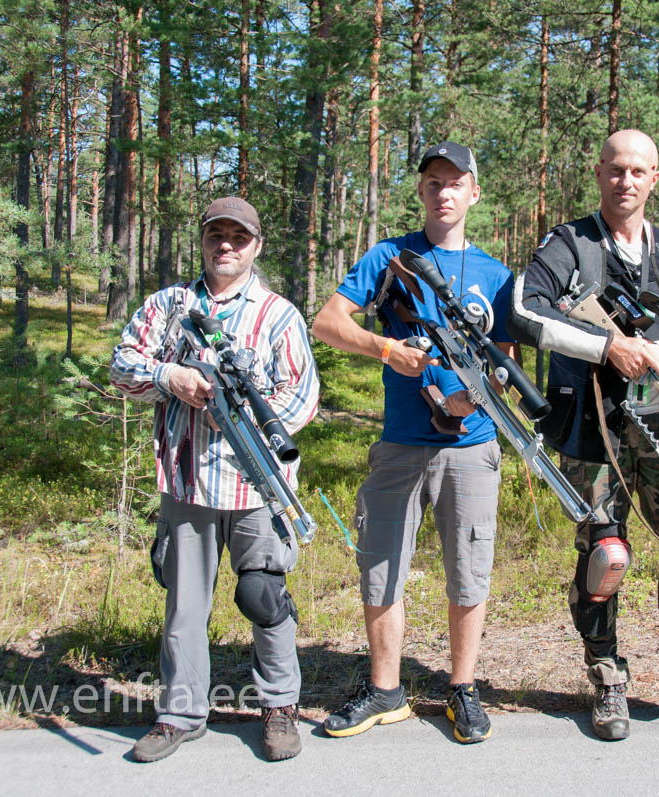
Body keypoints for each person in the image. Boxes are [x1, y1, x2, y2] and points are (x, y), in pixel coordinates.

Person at [508, 129, 659, 740]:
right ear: (599, 173)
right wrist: (605, 344)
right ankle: (608, 683)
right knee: (604, 556)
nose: (626, 181)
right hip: (593, 428)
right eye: (616, 169)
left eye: (639, 171)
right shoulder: (569, 244)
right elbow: (526, 310)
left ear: (655, 179)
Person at [312, 142, 515, 744]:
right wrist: (386, 349)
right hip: (400, 440)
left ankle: (463, 689)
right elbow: (328, 322)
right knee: (381, 565)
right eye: (433, 182)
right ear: (422, 192)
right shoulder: (388, 257)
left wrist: (469, 399)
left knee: (469, 570)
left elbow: (505, 360)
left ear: (474, 193)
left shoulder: (495, 275)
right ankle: (385, 691)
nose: (444, 192)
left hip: (471, 446)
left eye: (455, 182)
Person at [111, 196, 319, 762]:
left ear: (256, 245)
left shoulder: (279, 314)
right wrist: (169, 375)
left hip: (259, 485)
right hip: (187, 483)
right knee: (183, 604)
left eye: (238, 237)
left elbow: (301, 397)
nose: (225, 245)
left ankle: (279, 709)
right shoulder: (169, 305)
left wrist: (237, 410)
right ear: (202, 240)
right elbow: (121, 364)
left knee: (264, 596)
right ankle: (179, 714)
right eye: (215, 235)